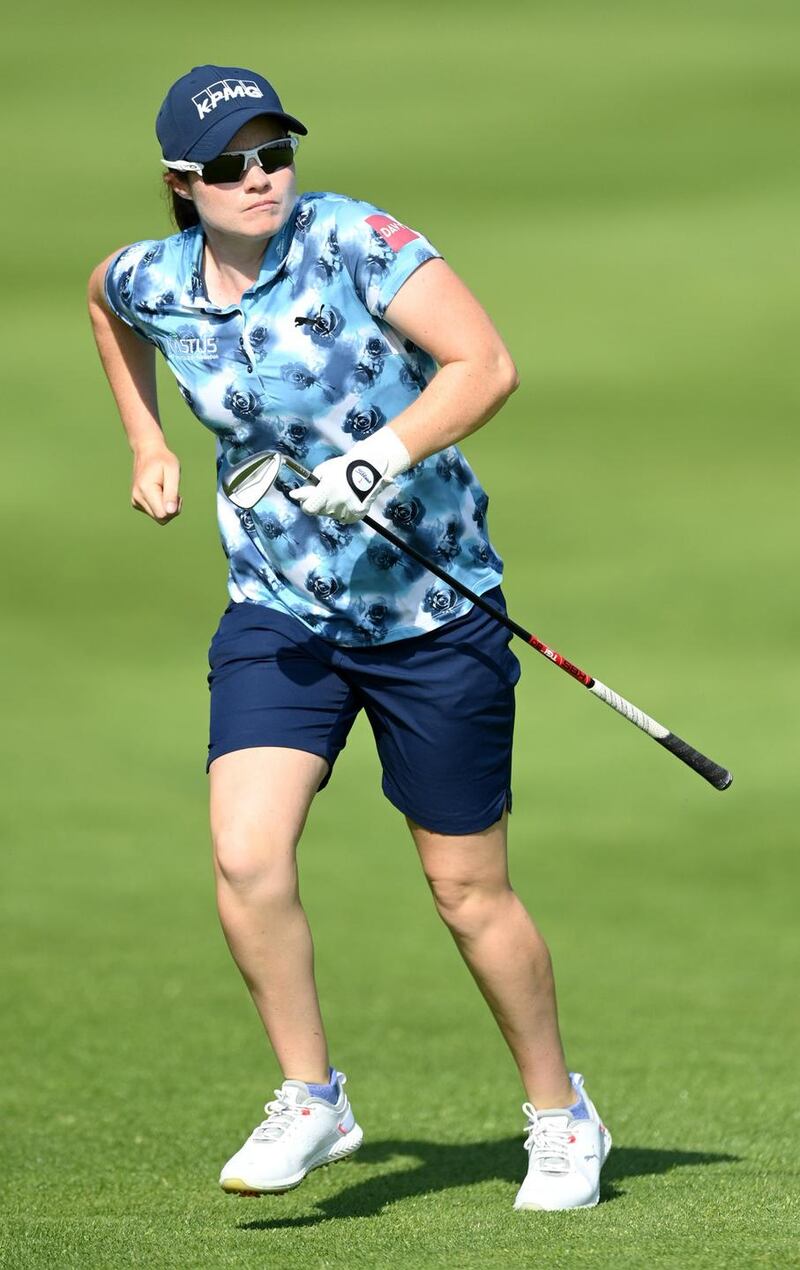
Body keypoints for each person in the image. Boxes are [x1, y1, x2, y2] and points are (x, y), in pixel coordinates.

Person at [87, 64, 611, 1211]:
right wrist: (146, 441)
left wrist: (380, 456)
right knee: (244, 854)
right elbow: (103, 303)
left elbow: (484, 364)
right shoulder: (154, 277)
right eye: (232, 165)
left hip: (432, 616)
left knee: (466, 890)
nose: (262, 177)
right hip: (280, 614)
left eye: (275, 153)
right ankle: (312, 1096)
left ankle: (559, 1115)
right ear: (184, 182)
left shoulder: (355, 238)